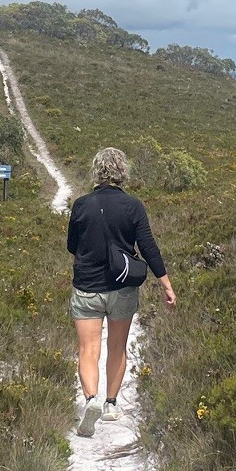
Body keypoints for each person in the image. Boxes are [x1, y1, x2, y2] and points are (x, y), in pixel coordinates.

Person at [65, 146, 174, 436]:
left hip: (87, 286)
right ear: (122, 171)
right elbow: (148, 247)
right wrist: (166, 283)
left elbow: (72, 247)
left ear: (97, 170)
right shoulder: (133, 206)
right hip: (122, 287)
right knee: (117, 347)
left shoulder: (81, 205)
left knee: (88, 348)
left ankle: (91, 399)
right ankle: (111, 403)